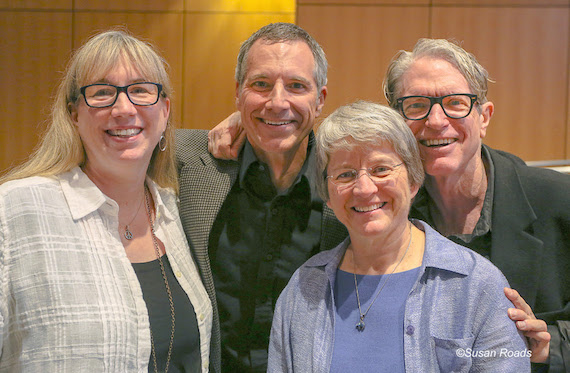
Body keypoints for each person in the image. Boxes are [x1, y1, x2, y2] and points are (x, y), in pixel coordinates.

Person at [0, 29, 212, 372]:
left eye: (141, 90)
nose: (124, 108)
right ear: (74, 115)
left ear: (165, 111)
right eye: (102, 93)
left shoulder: (176, 212)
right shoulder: (15, 211)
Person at [267, 100, 530, 372]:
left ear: (414, 179)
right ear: (328, 195)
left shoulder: (476, 284)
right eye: (345, 175)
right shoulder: (303, 289)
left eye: (381, 169)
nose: (364, 188)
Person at [383, 38, 570, 372]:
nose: (436, 120)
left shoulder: (560, 201)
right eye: (415, 104)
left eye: (455, 103)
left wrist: (549, 347)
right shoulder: (381, 211)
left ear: (484, 117)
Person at [175, 23, 347, 372]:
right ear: (239, 92)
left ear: (321, 99)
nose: (277, 102)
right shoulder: (187, 162)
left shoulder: (347, 186)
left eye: (297, 86)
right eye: (261, 85)